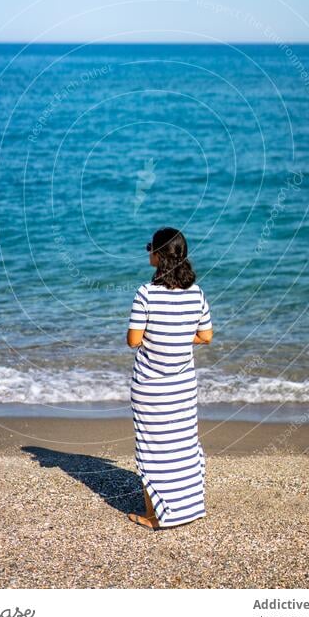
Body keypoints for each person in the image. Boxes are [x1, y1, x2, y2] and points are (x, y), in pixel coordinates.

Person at [126, 227, 213, 530]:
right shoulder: (196, 293)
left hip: (151, 386)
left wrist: (159, 335)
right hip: (182, 387)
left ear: (160, 255)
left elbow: (134, 340)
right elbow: (206, 336)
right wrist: (179, 337)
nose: (147, 250)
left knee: (152, 448)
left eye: (150, 246)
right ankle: (190, 507)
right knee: (183, 444)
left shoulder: (145, 294)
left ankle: (156, 517)